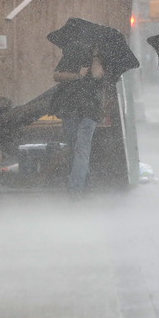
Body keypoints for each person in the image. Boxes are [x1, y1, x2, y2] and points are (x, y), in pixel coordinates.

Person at [51, 42, 110, 200]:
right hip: (70, 109)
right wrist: (78, 75)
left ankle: (75, 190)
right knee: (74, 148)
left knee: (81, 150)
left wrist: (96, 58)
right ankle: (85, 183)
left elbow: (99, 76)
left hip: (88, 111)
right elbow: (57, 75)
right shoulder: (71, 55)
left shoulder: (100, 59)